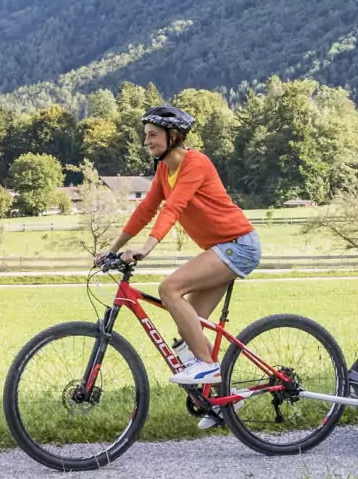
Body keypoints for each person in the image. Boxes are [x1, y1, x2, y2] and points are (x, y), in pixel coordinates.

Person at [102, 104, 262, 427]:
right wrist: (112, 249)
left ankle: (206, 365)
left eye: (153, 135)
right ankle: (220, 403)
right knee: (188, 322)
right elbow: (146, 209)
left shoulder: (195, 163)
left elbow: (173, 208)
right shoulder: (164, 171)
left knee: (169, 288)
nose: (147, 141)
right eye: (146, 135)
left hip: (239, 246)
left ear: (173, 137)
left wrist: (146, 248)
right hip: (222, 248)